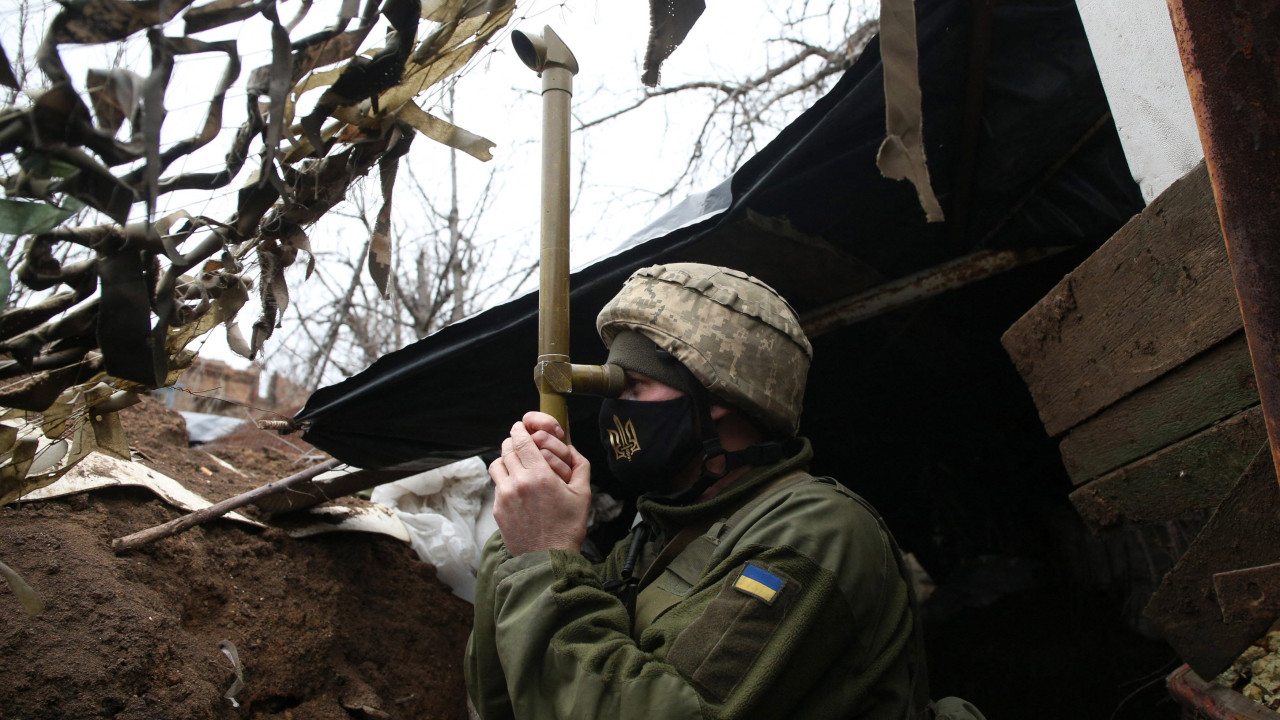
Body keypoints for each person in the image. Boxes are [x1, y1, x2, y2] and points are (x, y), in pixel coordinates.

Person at [464, 263, 929, 719]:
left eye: (634, 386)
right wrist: (517, 543)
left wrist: (543, 556)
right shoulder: (657, 533)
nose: (613, 413)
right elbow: (510, 696)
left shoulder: (815, 531)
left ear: (719, 395)